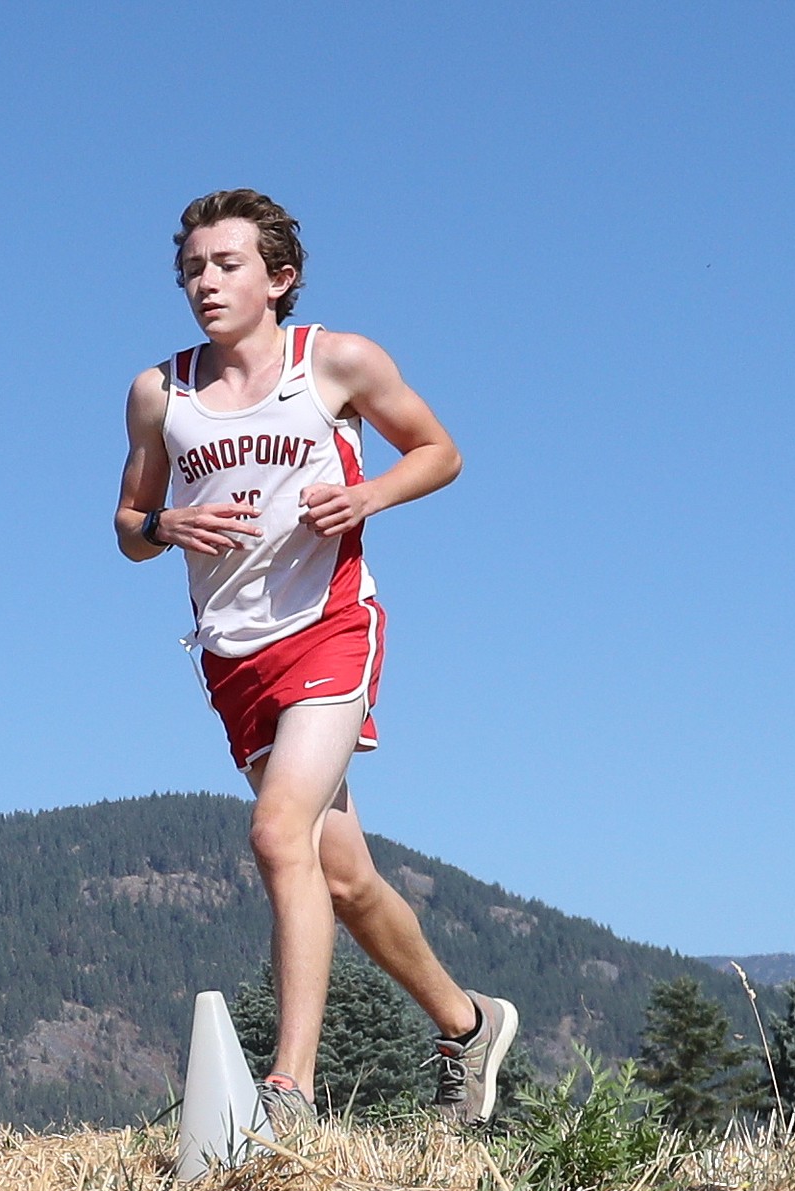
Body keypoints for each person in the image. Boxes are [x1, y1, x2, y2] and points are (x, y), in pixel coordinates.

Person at [115, 188, 517, 1129]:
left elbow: (440, 451)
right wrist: (167, 523)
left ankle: (289, 1091)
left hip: (332, 627)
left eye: (226, 264)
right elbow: (127, 529)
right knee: (341, 875)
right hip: (231, 656)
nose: (204, 282)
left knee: (273, 834)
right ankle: (468, 1022)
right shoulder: (159, 393)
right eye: (191, 269)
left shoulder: (333, 360)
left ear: (278, 278)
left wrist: (369, 496)